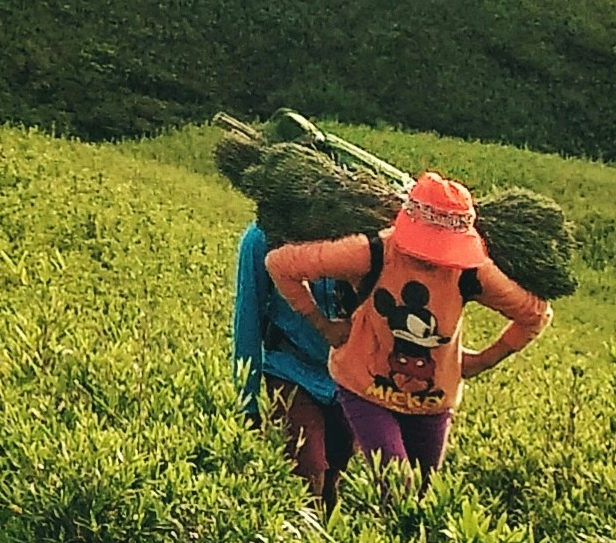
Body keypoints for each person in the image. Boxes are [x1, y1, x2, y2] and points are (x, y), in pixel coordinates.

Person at [268, 172, 547, 484]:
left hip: (433, 401)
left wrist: (483, 360)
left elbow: (534, 314)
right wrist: (321, 324)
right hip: (365, 387)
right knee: (398, 485)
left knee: (425, 492)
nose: (432, 259)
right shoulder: (372, 253)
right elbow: (281, 265)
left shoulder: (470, 272)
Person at [233, 206, 354, 505]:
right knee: (306, 474)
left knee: (333, 476)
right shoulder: (262, 239)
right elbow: (248, 319)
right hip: (291, 368)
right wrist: (247, 402)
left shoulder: (358, 236)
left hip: (347, 377)